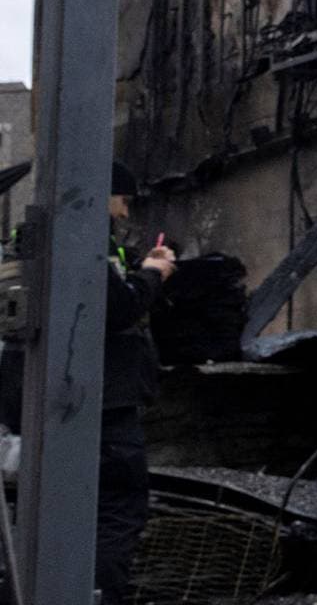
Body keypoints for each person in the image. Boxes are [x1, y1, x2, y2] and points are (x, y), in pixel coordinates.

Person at [98, 161, 174, 605]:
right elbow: (117, 309)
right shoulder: (84, 238)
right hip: (105, 402)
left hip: (91, 398)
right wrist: (154, 274)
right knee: (118, 508)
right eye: (123, 201)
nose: (125, 213)